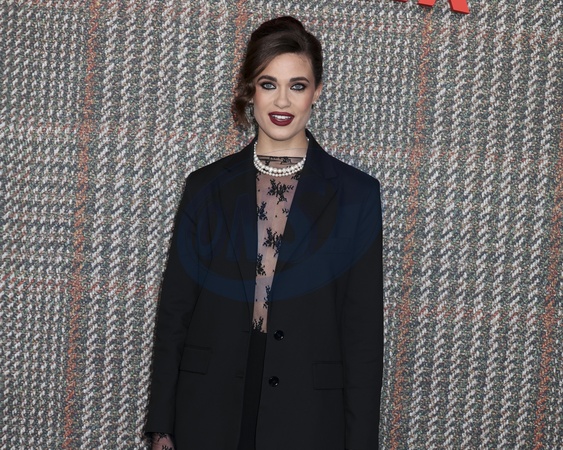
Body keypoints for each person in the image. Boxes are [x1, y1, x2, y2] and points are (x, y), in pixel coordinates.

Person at [146, 16, 384, 450]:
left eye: (298, 85)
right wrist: (162, 425)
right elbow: (175, 311)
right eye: (268, 83)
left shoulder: (357, 195)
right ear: (250, 89)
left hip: (308, 414)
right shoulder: (205, 187)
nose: (283, 100)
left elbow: (362, 333)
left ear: (316, 92)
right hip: (209, 407)